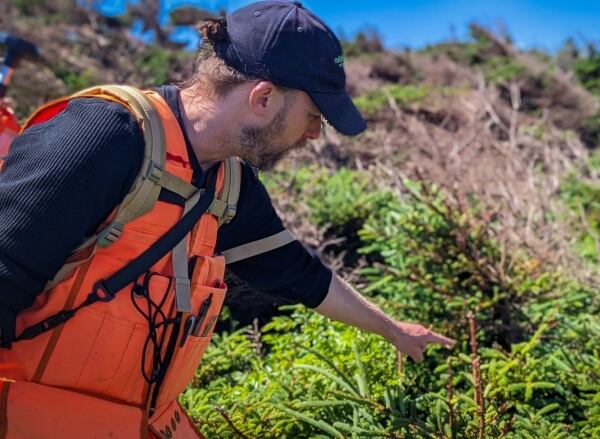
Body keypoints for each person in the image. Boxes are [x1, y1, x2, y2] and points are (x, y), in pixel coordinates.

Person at [0, 1, 454, 436]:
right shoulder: (103, 135)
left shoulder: (228, 181)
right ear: (263, 97)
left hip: (112, 422)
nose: (316, 134)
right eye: (314, 115)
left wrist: (393, 330)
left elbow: (297, 273)